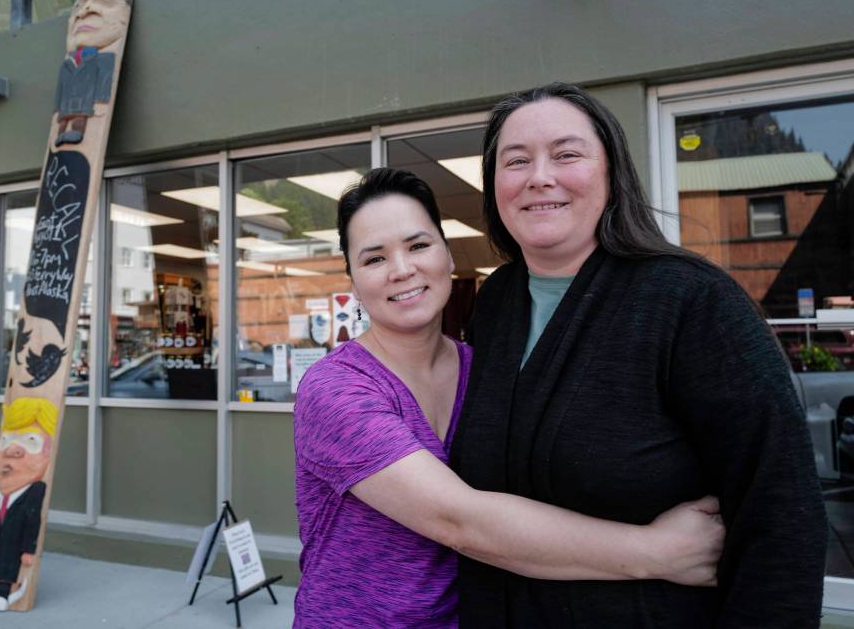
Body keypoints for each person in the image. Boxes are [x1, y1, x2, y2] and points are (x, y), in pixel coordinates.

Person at [451, 83, 828, 627]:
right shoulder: (495, 304)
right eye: (516, 161)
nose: (539, 177)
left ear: (612, 173)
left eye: (566, 154)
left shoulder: (691, 300)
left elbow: (781, 512)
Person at [293, 168, 726, 628]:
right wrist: (657, 551)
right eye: (375, 258)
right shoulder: (335, 388)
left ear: (446, 254)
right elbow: (458, 521)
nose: (402, 270)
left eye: (418, 246)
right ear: (354, 281)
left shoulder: (488, 369)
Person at [0, 396, 57, 612]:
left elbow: (33, 521)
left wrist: (29, 550)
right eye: (6, 440)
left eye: (30, 441)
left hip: (15, 544)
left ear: (47, 452)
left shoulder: (35, 489)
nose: (11, 451)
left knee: (9, 565)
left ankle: (3, 593)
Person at [53, 0, 133, 147]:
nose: (82, 12)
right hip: (66, 106)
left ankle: (76, 131)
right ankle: (61, 134)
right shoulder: (67, 63)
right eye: (78, 6)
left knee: (79, 118)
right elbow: (60, 89)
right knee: (63, 121)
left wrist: (101, 104)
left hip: (85, 104)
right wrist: (56, 108)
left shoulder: (104, 58)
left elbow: (105, 82)